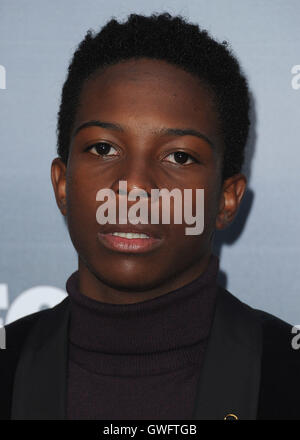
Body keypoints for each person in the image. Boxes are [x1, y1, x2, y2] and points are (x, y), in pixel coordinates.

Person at [1, 12, 299, 420]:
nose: (134, 185)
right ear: (63, 184)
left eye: (179, 156)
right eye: (103, 148)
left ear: (226, 201)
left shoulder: (288, 370)